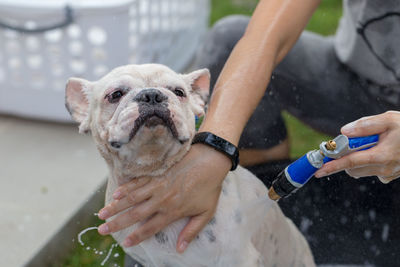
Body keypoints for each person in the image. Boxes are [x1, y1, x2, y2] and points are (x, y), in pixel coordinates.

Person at [97, 0, 400, 264]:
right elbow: (268, 33)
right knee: (229, 40)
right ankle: (257, 209)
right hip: (356, 81)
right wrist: (216, 147)